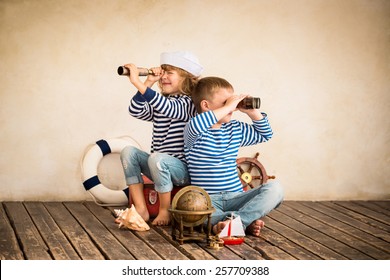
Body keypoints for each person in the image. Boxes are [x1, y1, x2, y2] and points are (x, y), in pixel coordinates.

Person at [184, 76, 284, 236]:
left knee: (276, 189)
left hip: (236, 197)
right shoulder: (195, 129)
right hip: (207, 201)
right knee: (189, 210)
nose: (232, 107)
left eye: (232, 103)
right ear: (205, 105)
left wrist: (252, 112)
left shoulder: (234, 128)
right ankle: (242, 221)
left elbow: (265, 134)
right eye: (225, 103)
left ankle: (235, 222)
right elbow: (199, 123)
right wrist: (230, 106)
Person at [120, 51, 203, 226]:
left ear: (186, 78)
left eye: (169, 73)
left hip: (181, 171)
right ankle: (141, 209)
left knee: (157, 158)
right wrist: (148, 82)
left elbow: (168, 108)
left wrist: (136, 82)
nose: (163, 77)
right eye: (162, 72)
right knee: (129, 152)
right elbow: (135, 110)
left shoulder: (189, 104)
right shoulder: (163, 102)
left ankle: (165, 210)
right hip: (157, 166)